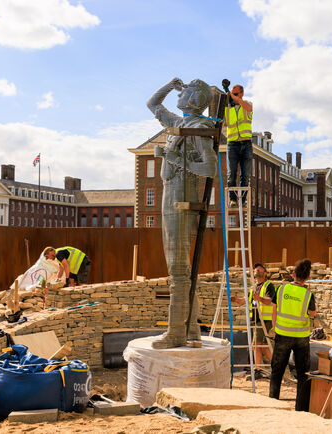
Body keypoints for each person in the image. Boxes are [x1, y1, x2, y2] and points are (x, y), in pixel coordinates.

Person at [147, 77, 217, 349]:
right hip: (171, 195)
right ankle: (191, 331)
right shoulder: (180, 123)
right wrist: (169, 85)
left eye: (186, 90)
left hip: (182, 197)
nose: (182, 92)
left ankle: (177, 332)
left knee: (178, 268)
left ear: (196, 99)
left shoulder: (198, 128)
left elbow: (209, 169)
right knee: (182, 269)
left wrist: (169, 156)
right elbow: (152, 104)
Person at [270, 258, 316, 411]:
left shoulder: (281, 290)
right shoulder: (308, 294)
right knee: (303, 373)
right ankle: (301, 409)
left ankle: (273, 405)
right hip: (301, 337)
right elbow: (313, 313)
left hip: (282, 334)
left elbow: (274, 310)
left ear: (293, 274)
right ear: (307, 278)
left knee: (277, 371)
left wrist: (275, 330)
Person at [231, 263, 275, 376]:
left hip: (264, 319)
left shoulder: (268, 285)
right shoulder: (253, 288)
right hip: (255, 320)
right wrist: (236, 300)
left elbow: (270, 301)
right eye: (256, 269)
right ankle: (271, 366)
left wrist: (259, 298)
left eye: (259, 269)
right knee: (260, 345)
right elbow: (244, 301)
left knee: (255, 344)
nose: (257, 270)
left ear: (265, 274)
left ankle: (258, 369)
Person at [224, 83, 253, 207]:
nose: (233, 96)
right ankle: (233, 200)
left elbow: (248, 108)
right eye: (232, 94)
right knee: (231, 174)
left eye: (235, 94)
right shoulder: (227, 108)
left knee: (245, 176)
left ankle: (243, 200)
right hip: (232, 144)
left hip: (246, 144)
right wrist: (227, 95)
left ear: (241, 94)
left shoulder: (248, 104)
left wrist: (232, 96)